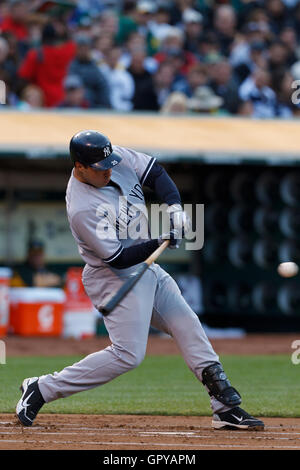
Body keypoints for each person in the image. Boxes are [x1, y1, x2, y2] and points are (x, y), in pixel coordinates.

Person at [16, 130, 264, 431]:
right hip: (113, 277)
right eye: (99, 168)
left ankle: (224, 407)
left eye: (109, 162)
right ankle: (42, 389)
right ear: (79, 167)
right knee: (128, 355)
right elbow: (117, 258)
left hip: (147, 269)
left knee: (186, 324)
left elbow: (156, 172)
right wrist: (161, 238)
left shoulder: (110, 158)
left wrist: (173, 208)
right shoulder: (82, 207)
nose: (108, 169)